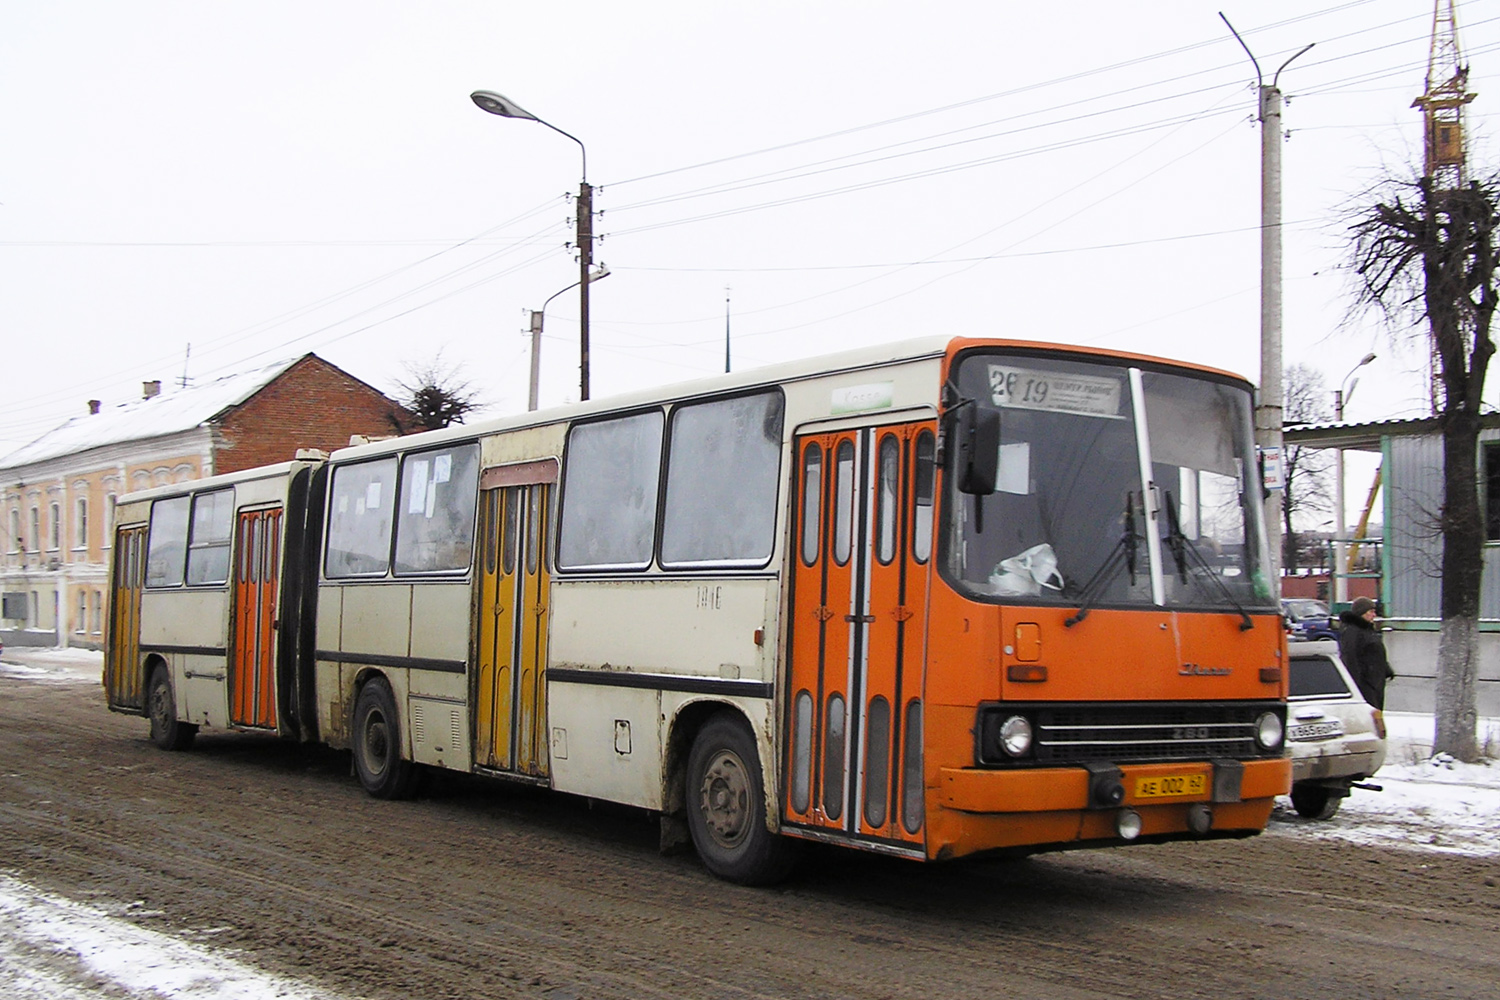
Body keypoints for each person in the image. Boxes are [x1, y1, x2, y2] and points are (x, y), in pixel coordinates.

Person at [1337, 596, 1395, 709]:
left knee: (1376, 712)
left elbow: (1375, 652)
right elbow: (1350, 657)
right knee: (1370, 715)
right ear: (1361, 613)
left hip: (1375, 681)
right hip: (1365, 684)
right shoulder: (1353, 631)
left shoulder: (1367, 630)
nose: (1374, 615)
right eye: (1371, 611)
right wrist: (1355, 683)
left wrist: (1386, 669)